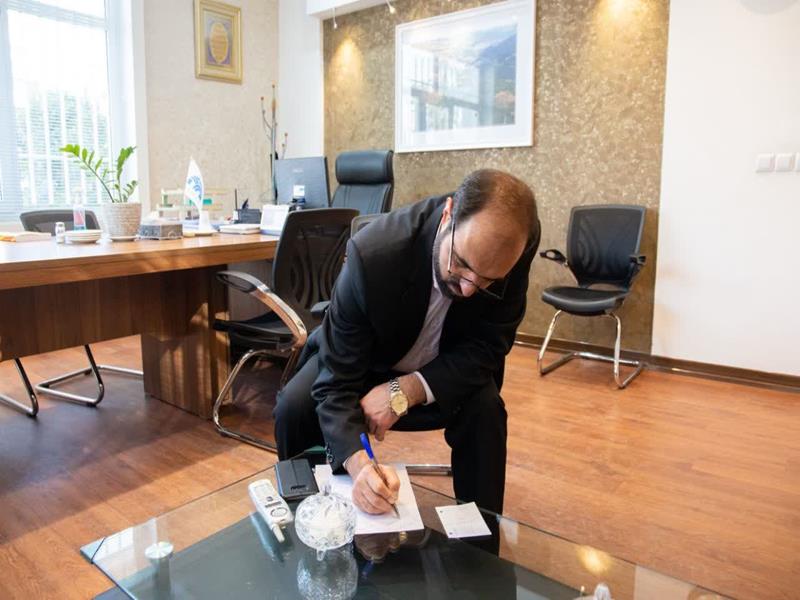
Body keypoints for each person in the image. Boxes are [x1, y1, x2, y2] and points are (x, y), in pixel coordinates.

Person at [275, 169, 540, 517]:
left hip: (444, 367)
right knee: (294, 407)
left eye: (488, 281)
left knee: (486, 410)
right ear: (448, 215)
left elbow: (490, 344)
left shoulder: (517, 238)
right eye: (461, 265)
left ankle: (480, 542)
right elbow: (337, 379)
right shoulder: (374, 254)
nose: (468, 290)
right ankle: (305, 521)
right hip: (367, 361)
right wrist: (359, 466)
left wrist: (406, 390)